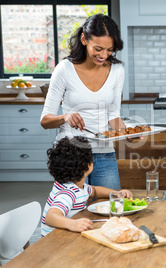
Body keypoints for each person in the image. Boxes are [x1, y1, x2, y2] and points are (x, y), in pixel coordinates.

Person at [40, 13, 126, 189]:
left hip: (104, 152)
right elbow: (45, 120)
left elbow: (113, 116)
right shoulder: (64, 70)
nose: (104, 55)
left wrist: (127, 133)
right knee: (74, 210)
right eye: (98, 48)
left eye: (109, 50)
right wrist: (65, 117)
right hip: (72, 153)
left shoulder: (117, 71)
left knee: (112, 206)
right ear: (84, 39)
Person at [41, 136, 133, 237]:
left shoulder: (77, 186)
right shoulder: (68, 193)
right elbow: (50, 216)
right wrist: (72, 224)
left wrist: (116, 194)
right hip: (56, 241)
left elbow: (94, 191)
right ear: (88, 165)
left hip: (65, 235)